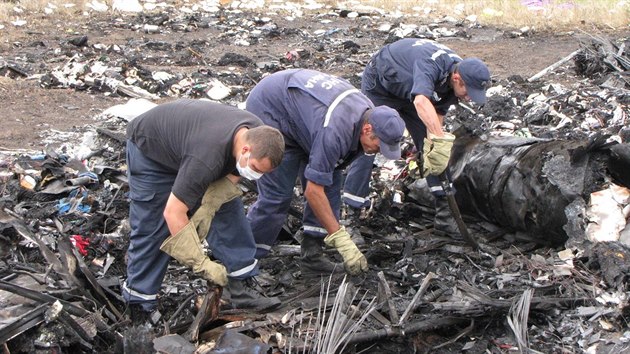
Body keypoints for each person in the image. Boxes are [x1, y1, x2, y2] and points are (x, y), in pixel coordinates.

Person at [122, 99, 286, 317]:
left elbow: (231, 177)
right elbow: (173, 212)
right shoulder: (206, 158)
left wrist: (210, 204)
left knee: (228, 210)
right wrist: (201, 264)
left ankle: (242, 285)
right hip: (152, 154)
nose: (256, 176)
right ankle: (139, 302)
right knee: (153, 226)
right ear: (245, 150)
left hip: (190, 146)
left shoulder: (256, 132)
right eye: (255, 168)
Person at [245, 69, 405, 276]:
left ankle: (312, 256)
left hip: (306, 119)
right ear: (367, 130)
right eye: (378, 145)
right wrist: (340, 238)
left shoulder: (370, 116)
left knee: (330, 180)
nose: (377, 151)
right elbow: (313, 191)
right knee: (278, 195)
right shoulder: (335, 132)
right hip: (273, 109)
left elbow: (327, 177)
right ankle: (243, 262)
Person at [343, 38, 491, 238]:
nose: (469, 98)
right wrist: (438, 138)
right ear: (457, 78)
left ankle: (445, 215)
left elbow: (437, 112)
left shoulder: (456, 75)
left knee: (434, 148)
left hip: (411, 93)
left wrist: (434, 145)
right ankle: (350, 216)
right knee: (369, 145)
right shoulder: (431, 64)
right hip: (383, 85)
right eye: (468, 92)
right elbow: (421, 101)